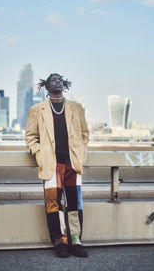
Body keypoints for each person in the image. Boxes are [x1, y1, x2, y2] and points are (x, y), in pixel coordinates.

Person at [25, 73, 89, 258]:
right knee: (54, 205)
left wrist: (81, 152)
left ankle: (76, 241)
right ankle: (60, 242)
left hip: (72, 164)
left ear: (64, 84)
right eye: (53, 79)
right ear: (46, 86)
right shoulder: (37, 110)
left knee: (74, 204)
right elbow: (30, 137)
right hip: (51, 165)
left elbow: (85, 134)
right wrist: (39, 153)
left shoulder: (76, 108)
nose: (57, 81)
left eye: (60, 79)